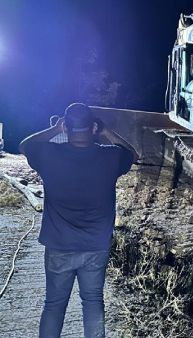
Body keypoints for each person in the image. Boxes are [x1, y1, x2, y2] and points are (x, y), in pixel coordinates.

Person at [19, 103, 139, 338]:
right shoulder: (110, 156)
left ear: (67, 127)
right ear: (93, 127)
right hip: (95, 246)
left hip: (58, 246)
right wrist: (106, 132)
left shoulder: (48, 154)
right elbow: (133, 154)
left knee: (54, 304)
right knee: (93, 302)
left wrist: (55, 129)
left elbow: (25, 146)